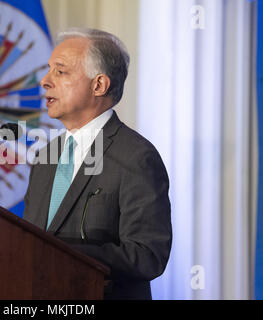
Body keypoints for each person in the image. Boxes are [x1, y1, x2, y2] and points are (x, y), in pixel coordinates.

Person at [23, 28, 172, 300]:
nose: (44, 81)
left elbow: (148, 255)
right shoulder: (45, 156)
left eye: (60, 71)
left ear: (98, 85)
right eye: (48, 70)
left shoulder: (136, 157)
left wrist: (58, 252)